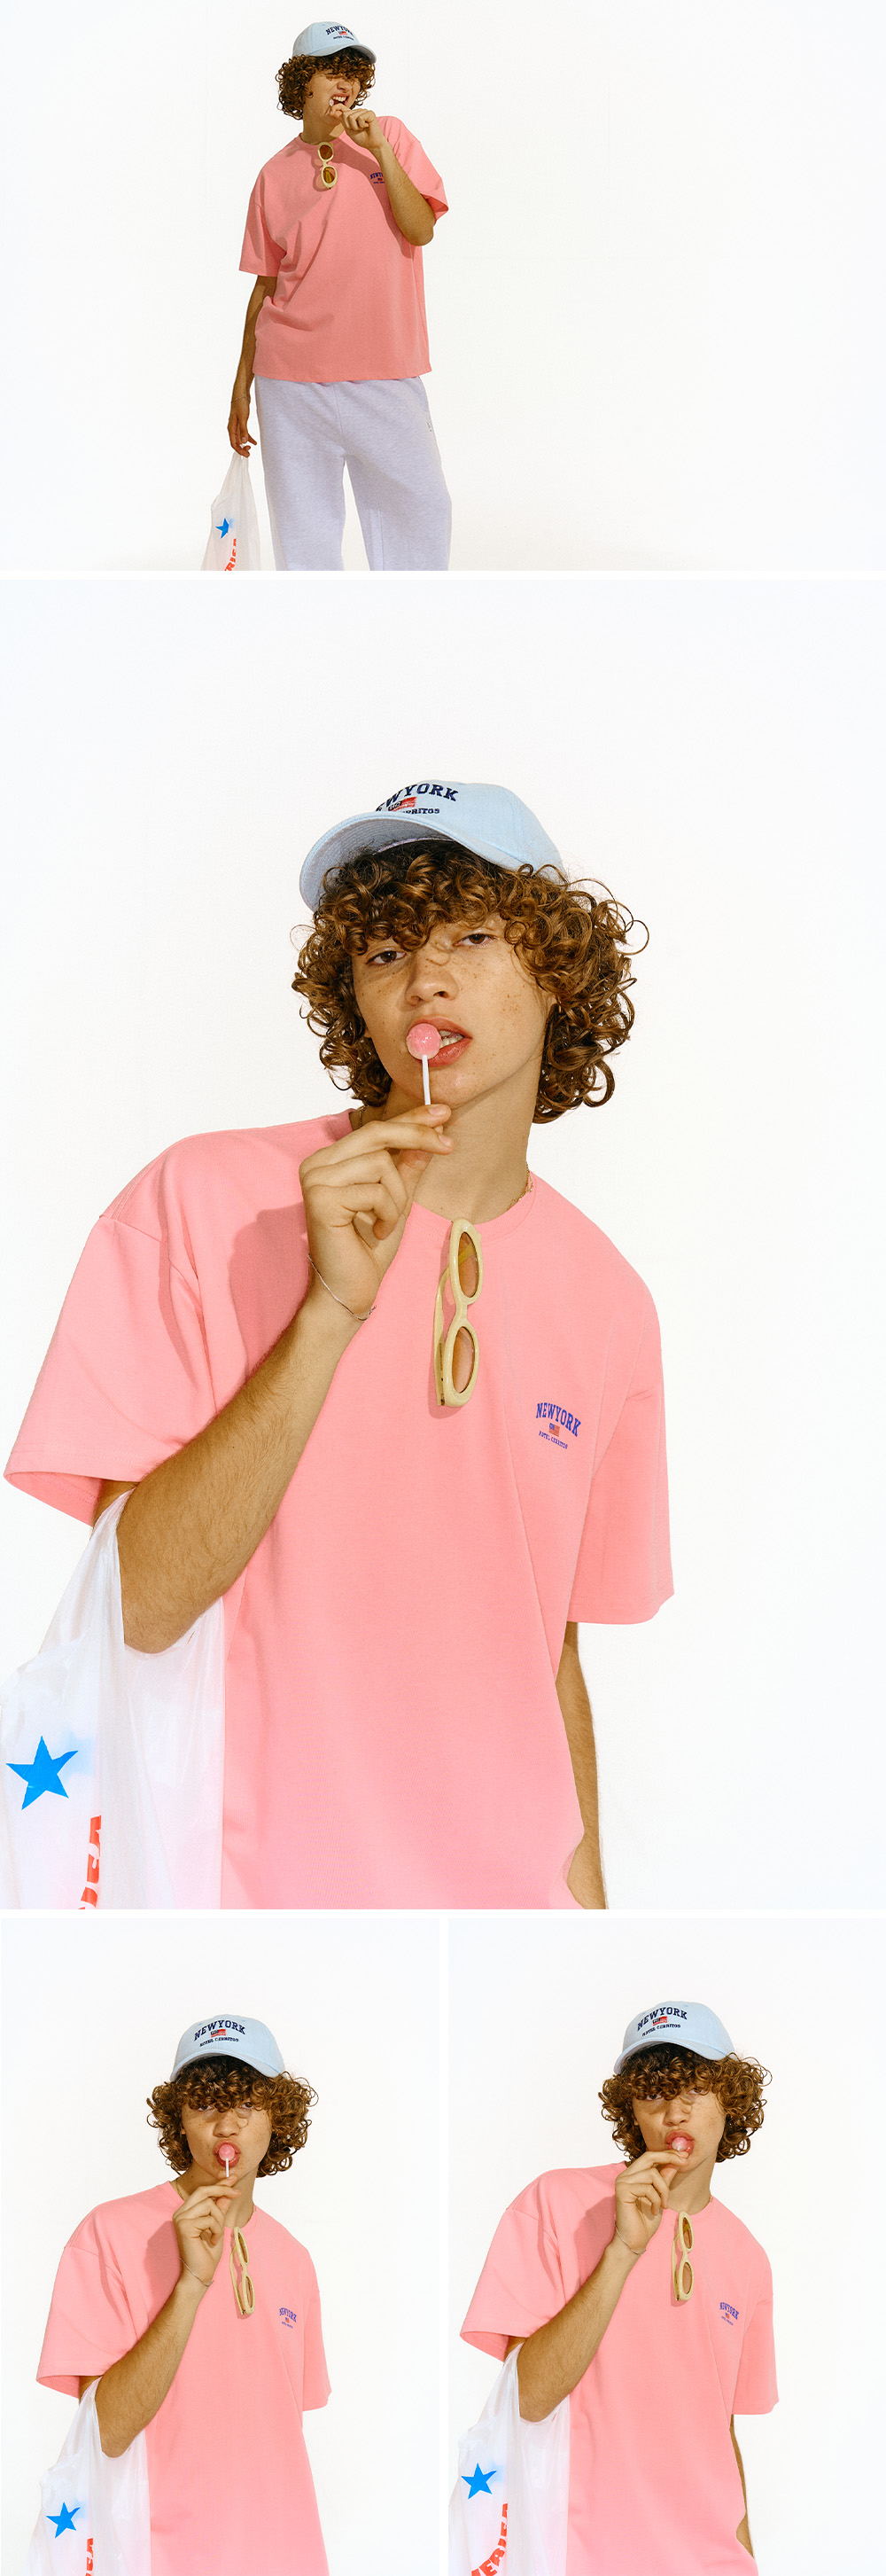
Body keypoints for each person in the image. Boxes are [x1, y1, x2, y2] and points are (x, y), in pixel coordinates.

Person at [5, 777, 671, 1909]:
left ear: (558, 966)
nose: (425, 977)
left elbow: (547, 1649)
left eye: (471, 933)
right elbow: (138, 1610)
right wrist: (328, 1313)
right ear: (352, 997)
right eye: (384, 948)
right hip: (258, 1910)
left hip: (502, 1926)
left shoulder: (610, 1299)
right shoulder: (202, 1201)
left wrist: (589, 1934)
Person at [460, 1995, 777, 2573]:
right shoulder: (556, 2204)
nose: (674, 2112)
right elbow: (526, 2401)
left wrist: (748, 2558)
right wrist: (623, 2250)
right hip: (587, 2554)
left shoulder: (748, 2257)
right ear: (631, 2108)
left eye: (695, 2089)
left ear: (731, 2099)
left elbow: (720, 2431)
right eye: (654, 2092)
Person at [36, 2009, 330, 2575]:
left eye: (246, 2104)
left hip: (286, 2553)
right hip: (160, 2556)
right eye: (205, 2104)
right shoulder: (108, 2234)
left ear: (279, 2116)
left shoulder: (295, 2259)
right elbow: (107, 2434)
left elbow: (277, 2438)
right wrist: (192, 2284)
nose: (226, 2126)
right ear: (178, 2121)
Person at [229, 12, 451, 568]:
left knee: (421, 514)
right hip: (289, 381)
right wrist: (241, 384)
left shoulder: (389, 136)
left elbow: (420, 229)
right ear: (301, 82)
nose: (345, 83)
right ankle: (317, 622)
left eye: (353, 73)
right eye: (331, 71)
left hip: (384, 370)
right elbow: (265, 286)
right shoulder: (273, 175)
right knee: (303, 537)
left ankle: (411, 620)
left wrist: (380, 152)